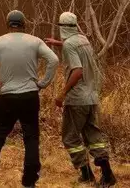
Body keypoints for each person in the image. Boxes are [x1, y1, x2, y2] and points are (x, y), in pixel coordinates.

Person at [0, 10, 59, 188]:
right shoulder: (35, 41)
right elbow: (54, 60)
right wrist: (43, 83)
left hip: (7, 97)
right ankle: (29, 182)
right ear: (24, 24)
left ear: (8, 24)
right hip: (29, 95)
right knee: (31, 138)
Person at [45, 12, 116, 187]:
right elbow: (74, 48)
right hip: (92, 97)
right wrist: (59, 44)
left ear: (61, 28)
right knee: (93, 136)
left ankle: (86, 174)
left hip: (77, 99)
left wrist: (62, 94)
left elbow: (77, 71)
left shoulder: (70, 45)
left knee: (70, 137)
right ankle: (108, 176)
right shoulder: (83, 40)